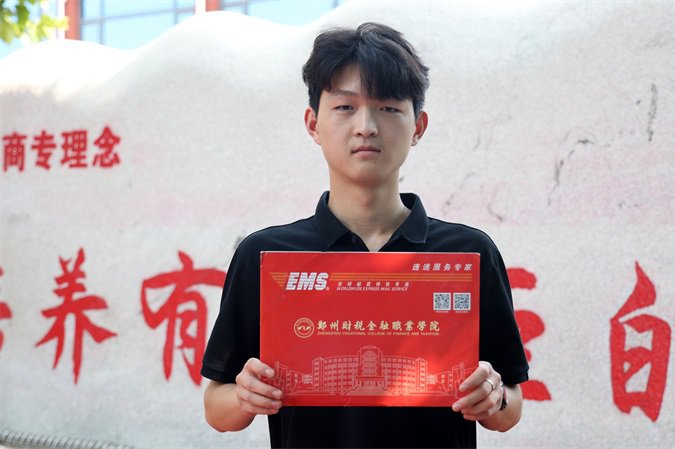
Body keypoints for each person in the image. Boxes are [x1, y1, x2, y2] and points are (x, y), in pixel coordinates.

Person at [201, 22, 529, 448]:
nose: (366, 126)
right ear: (313, 124)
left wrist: (493, 396)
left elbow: (510, 408)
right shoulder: (266, 256)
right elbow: (217, 408)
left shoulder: (468, 253)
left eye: (388, 108)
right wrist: (245, 396)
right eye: (345, 107)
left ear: (419, 126)